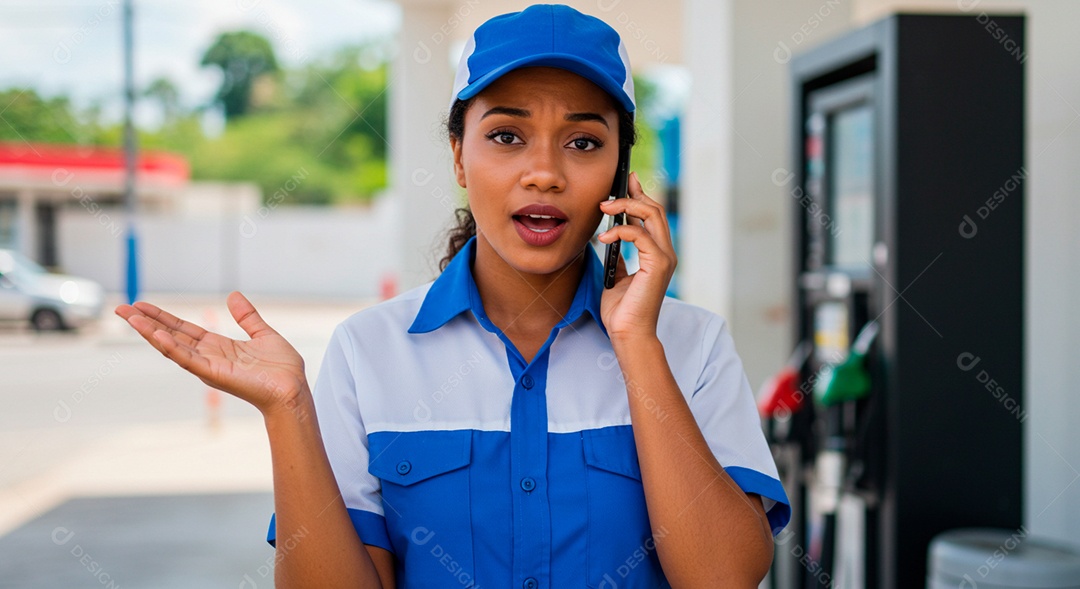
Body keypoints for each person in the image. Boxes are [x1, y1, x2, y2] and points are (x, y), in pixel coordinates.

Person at [115, 4, 790, 588]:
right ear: (460, 156)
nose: (544, 172)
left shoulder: (693, 345)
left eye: (584, 141)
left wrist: (637, 345)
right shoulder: (368, 350)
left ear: (621, 170)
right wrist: (287, 410)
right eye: (506, 135)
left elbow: (725, 577)